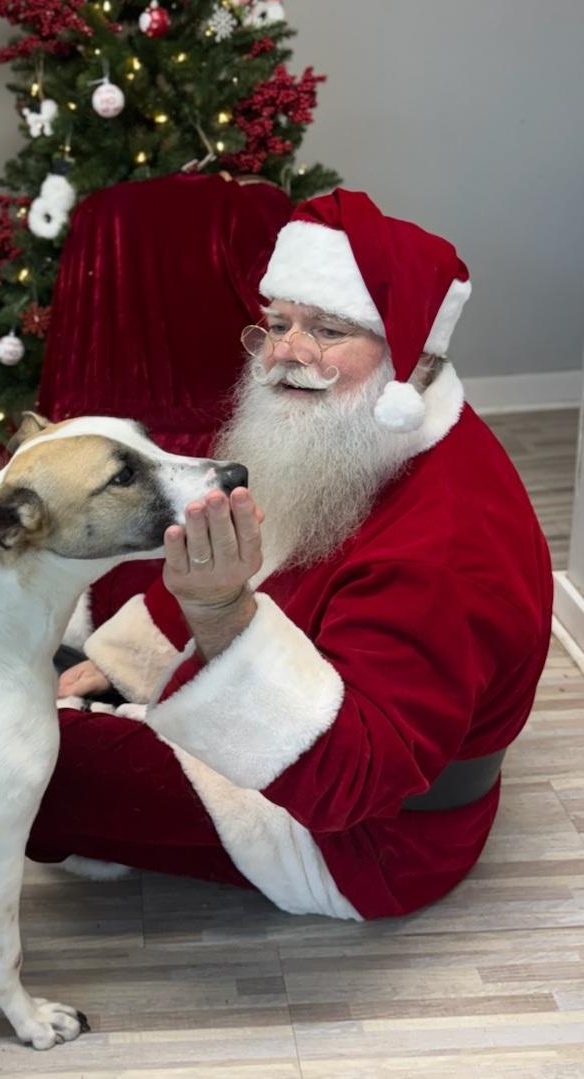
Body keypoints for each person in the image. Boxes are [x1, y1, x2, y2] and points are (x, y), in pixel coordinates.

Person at [27, 188, 553, 920]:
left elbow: (350, 783)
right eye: (277, 323)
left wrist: (217, 611)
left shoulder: (443, 544)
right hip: (307, 710)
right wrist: (123, 664)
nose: (284, 354)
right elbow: (274, 553)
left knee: (23, 757)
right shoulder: (356, 436)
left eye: (328, 329)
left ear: (408, 352)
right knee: (86, 629)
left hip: (361, 842)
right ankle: (74, 686)